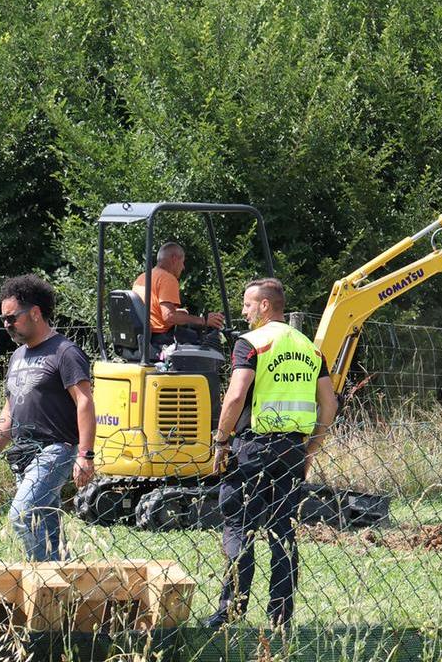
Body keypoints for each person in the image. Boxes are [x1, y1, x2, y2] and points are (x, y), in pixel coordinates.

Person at [205, 278, 336, 629]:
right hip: (291, 450)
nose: (244, 311)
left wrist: (221, 441)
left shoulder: (251, 343)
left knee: (239, 528)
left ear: (265, 305)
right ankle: (280, 616)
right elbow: (329, 404)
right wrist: (310, 449)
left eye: (248, 304)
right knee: (283, 533)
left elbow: (236, 395)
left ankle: (231, 610)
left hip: (252, 447)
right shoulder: (310, 349)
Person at [0, 274, 96, 561]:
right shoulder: (17, 356)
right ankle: (64, 577)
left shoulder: (65, 352)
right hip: (23, 454)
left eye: (12, 318)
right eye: (3, 319)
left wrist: (85, 454)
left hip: (55, 450)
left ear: (35, 313)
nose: (7, 324)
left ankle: (45, 578)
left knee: (23, 514)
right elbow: (10, 409)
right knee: (44, 522)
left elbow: (85, 402)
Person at [132, 241, 226, 345]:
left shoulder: (143, 277)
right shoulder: (167, 278)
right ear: (174, 259)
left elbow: (151, 309)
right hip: (160, 338)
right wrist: (203, 320)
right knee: (208, 343)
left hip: (143, 337)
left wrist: (177, 312)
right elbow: (169, 316)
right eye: (182, 262)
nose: (183, 267)